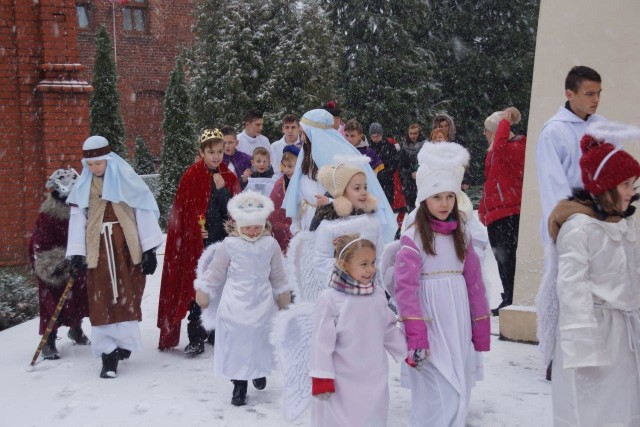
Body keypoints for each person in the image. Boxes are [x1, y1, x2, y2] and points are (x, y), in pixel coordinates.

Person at [543, 123, 640, 426]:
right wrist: (584, 346)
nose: (631, 193)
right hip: (592, 336)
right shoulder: (579, 229)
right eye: (625, 185)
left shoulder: (623, 225)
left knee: (622, 410)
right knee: (589, 410)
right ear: (606, 186)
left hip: (623, 336)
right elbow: (572, 290)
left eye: (633, 185)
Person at [394, 141, 490, 425]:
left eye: (450, 196)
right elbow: (406, 288)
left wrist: (479, 323)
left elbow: (474, 281)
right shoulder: (415, 235)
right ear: (425, 199)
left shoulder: (461, 231)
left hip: (456, 316)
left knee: (458, 381)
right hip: (430, 314)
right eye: (437, 197)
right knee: (436, 383)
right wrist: (415, 332)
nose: (445, 203)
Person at [66, 136, 163, 378]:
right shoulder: (84, 187)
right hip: (97, 249)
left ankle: (124, 342)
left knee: (127, 293)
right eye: (89, 165)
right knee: (101, 297)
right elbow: (78, 218)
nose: (94, 169)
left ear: (108, 160)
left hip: (124, 247)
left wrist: (149, 248)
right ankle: (108, 354)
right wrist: (77, 253)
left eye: (98, 163)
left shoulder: (126, 181)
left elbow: (142, 209)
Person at [194, 191, 291, 406]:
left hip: (262, 299)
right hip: (235, 300)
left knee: (259, 337)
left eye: (257, 226)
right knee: (238, 340)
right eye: (247, 227)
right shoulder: (228, 245)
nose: (252, 231)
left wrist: (283, 294)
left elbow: (278, 273)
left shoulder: (270, 245)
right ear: (238, 225)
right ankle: (239, 383)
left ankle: (258, 370)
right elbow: (216, 271)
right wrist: (205, 288)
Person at [157, 129, 240, 354]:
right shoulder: (191, 176)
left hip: (220, 243)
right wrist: (194, 231)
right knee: (198, 289)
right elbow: (183, 213)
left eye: (220, 152)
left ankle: (214, 331)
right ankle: (196, 336)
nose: (216, 156)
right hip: (197, 246)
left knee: (219, 288)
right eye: (211, 152)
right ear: (201, 152)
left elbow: (233, 213)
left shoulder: (228, 177)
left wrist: (223, 191)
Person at [310, 234, 406, 427]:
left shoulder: (377, 295)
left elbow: (387, 329)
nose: (371, 269)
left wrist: (407, 351)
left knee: (372, 418)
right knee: (342, 420)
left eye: (372, 262)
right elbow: (321, 342)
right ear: (344, 265)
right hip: (342, 378)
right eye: (363, 264)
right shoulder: (331, 299)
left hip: (373, 374)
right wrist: (322, 376)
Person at [283, 108, 397, 242]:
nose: (302, 138)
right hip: (306, 230)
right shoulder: (305, 160)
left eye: (304, 134)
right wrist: (296, 228)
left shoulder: (340, 159)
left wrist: (329, 203)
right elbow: (298, 197)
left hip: (335, 232)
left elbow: (354, 199)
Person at [536, 65, 605, 244]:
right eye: (589, 94)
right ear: (570, 94)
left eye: (598, 93)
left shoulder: (603, 128)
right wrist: (571, 223)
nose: (596, 99)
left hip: (603, 222)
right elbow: (553, 184)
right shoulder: (553, 132)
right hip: (571, 226)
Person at [29, 168, 89, 360]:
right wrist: (60, 264)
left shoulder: (81, 212)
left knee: (79, 297)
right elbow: (41, 244)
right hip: (53, 264)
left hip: (77, 260)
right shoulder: (48, 216)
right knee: (51, 301)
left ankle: (76, 329)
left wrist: (81, 256)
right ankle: (49, 339)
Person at [478, 107, 526, 316]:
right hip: (496, 212)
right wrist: (483, 208)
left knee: (508, 258)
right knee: (500, 258)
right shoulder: (495, 151)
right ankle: (507, 296)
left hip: (509, 212)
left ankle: (512, 297)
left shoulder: (514, 147)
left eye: (489, 130)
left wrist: (505, 122)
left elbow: (500, 147)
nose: (485, 133)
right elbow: (490, 182)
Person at [310, 156, 385, 287]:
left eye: (365, 187)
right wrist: (346, 278)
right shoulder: (329, 226)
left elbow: (380, 256)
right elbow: (321, 260)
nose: (363, 192)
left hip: (370, 288)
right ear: (341, 193)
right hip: (341, 291)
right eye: (357, 188)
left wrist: (378, 281)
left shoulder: (371, 221)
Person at [369, 122, 406, 232]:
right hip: (374, 183)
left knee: (387, 206)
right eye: (373, 136)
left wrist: (383, 173)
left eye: (377, 136)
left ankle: (390, 229)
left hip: (387, 182)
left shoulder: (389, 146)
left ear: (381, 135)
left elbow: (394, 163)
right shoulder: (369, 148)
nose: (375, 139)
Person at [269, 145, 299, 253]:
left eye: (290, 166)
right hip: (282, 229)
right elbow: (274, 212)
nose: (286, 170)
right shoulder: (279, 184)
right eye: (284, 166)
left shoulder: (304, 184)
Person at [398, 123, 426, 211]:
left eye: (415, 133)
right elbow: (401, 167)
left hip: (424, 181)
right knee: (412, 210)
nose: (413, 136)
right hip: (409, 185)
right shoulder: (404, 148)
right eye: (411, 133)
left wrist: (420, 172)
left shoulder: (426, 146)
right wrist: (410, 173)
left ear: (419, 134)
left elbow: (429, 164)